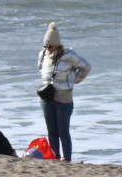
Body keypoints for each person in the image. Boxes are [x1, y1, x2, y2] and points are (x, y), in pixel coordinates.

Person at [38, 22, 91, 162]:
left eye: (50, 46)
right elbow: (40, 68)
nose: (47, 49)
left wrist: (73, 81)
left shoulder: (69, 55)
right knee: (51, 131)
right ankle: (55, 156)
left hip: (64, 97)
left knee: (63, 131)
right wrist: (47, 82)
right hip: (46, 97)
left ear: (57, 44)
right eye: (45, 46)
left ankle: (67, 157)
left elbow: (86, 67)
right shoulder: (43, 54)